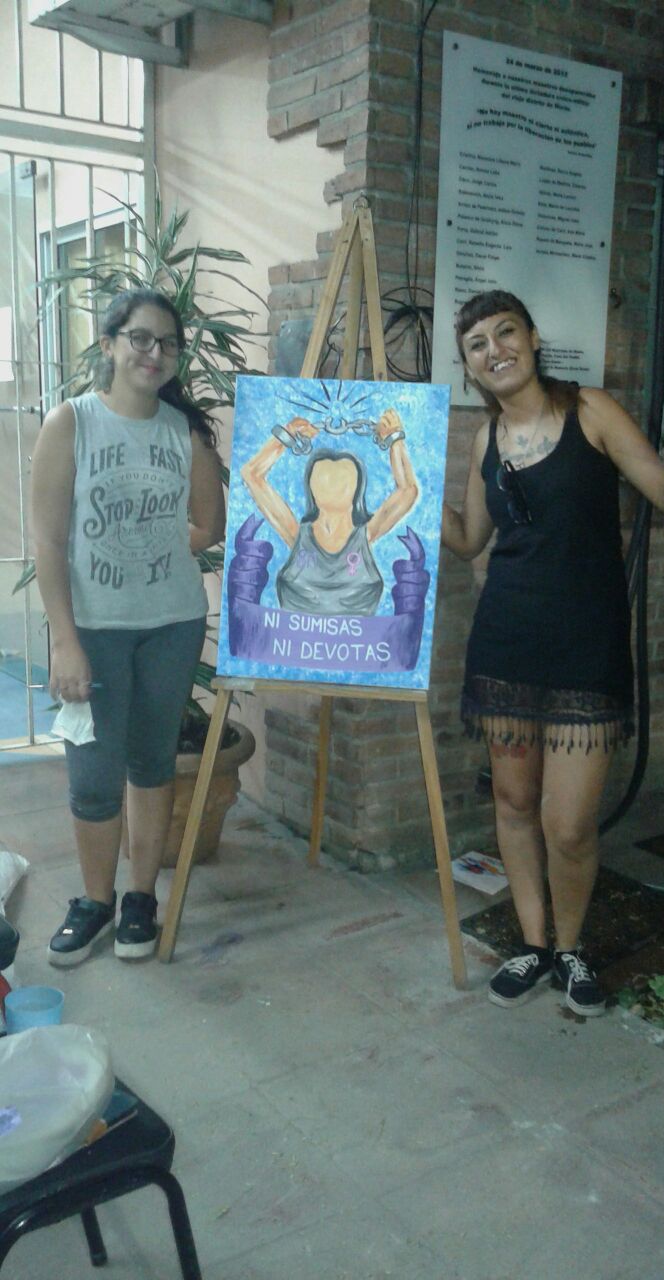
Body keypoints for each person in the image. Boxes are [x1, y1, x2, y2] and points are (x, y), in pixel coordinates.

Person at [442, 290, 664, 1016]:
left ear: (532, 337)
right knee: (513, 803)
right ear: (469, 367)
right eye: (477, 345)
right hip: (506, 644)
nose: (495, 350)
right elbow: (469, 539)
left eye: (505, 333)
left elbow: (659, 488)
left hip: (587, 646)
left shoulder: (591, 410)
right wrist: (405, 493)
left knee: (569, 824)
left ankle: (571, 948)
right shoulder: (485, 440)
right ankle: (534, 945)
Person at [32, 287, 225, 966]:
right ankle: (95, 902)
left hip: (172, 625)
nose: (154, 352)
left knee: (151, 763)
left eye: (168, 343)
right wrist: (65, 640)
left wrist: (152, 549)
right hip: (93, 629)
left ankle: (140, 898)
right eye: (140, 338)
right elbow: (48, 540)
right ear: (110, 344)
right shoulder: (72, 422)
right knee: (92, 775)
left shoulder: (184, 432)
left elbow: (210, 525)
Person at [241, 408, 418, 615]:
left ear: (357, 490)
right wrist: (285, 436)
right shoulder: (297, 535)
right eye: (323, 476)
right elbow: (251, 475)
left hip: (358, 636)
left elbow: (408, 491)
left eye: (342, 477)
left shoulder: (365, 535)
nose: (332, 480)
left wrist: (396, 439)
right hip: (294, 635)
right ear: (310, 487)